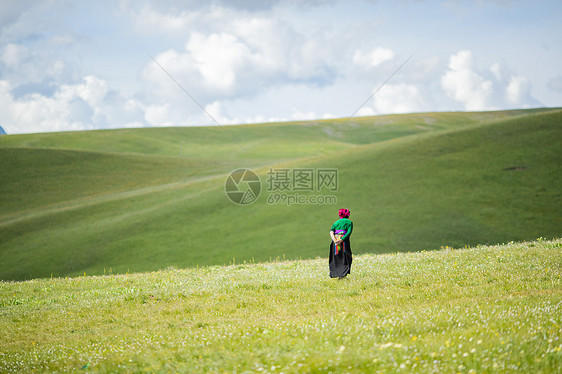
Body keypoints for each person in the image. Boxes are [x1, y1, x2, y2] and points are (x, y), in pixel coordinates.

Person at [329, 208, 353, 278]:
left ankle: (335, 274)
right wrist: (341, 240)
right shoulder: (349, 222)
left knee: (336, 257)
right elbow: (348, 233)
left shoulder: (336, 222)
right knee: (346, 256)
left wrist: (335, 240)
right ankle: (343, 274)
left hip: (335, 242)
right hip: (344, 242)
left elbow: (331, 231)